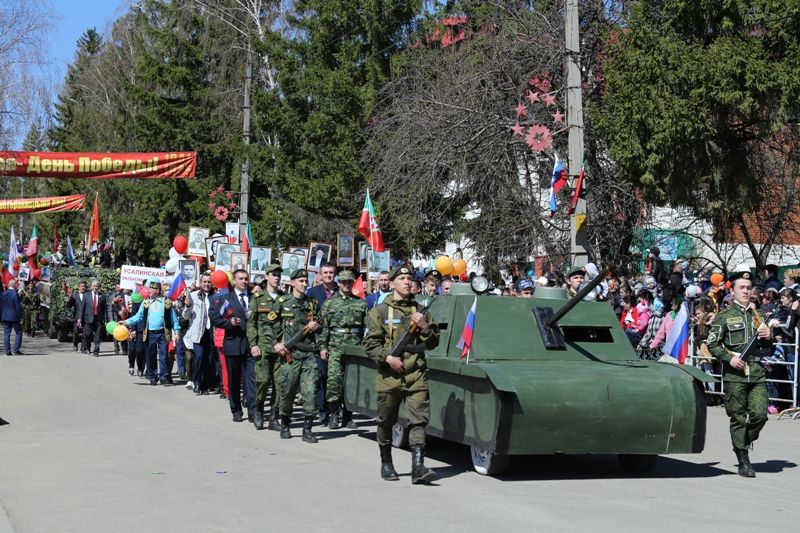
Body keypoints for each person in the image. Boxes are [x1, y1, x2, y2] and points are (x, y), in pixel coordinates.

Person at [363, 264, 440, 484]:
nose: (407, 282)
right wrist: (388, 357)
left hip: (416, 372)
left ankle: (418, 467)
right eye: (402, 278)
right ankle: (386, 462)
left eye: (409, 278)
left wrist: (424, 326)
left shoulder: (421, 310)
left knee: (418, 420)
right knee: (386, 420)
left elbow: (433, 342)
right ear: (393, 282)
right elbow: (369, 343)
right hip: (389, 375)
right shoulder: (379, 311)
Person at [706, 270, 773, 478]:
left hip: (756, 373)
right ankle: (743, 458)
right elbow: (712, 344)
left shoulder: (757, 316)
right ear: (732, 291)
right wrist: (730, 359)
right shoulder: (724, 317)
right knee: (738, 417)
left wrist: (768, 336)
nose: (745, 291)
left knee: (760, 415)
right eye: (741, 287)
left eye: (747, 287)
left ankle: (743, 441)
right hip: (735, 375)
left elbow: (767, 348)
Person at [273, 269, 322, 442]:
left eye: (305, 281)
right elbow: (270, 326)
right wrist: (276, 343)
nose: (303, 283)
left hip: (309, 354)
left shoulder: (313, 303)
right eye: (300, 281)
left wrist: (317, 330)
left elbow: (321, 329)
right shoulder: (282, 302)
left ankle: (307, 430)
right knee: (288, 391)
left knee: (310, 392)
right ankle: (285, 423)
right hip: (290, 354)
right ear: (292, 282)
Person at [319, 269, 367, 429]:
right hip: (335, 347)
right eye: (343, 282)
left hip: (354, 347)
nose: (346, 284)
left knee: (351, 383)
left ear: (353, 283)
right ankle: (334, 414)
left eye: (349, 282)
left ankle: (348, 416)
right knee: (334, 381)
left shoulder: (361, 303)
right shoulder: (329, 303)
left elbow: (366, 328)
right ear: (338, 283)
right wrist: (322, 347)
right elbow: (323, 328)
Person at [211, 269, 255, 423]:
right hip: (233, 344)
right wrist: (229, 323)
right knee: (234, 381)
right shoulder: (225, 299)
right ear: (234, 281)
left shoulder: (254, 298)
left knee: (252, 380)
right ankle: (236, 410)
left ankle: (253, 411)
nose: (244, 281)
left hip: (251, 346)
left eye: (246, 278)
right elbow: (215, 318)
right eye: (241, 279)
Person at [247, 264, 284, 430]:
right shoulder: (257, 298)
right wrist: (253, 344)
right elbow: (251, 323)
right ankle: (259, 411)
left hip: (281, 347)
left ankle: (273, 417)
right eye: (274, 275)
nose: (277, 278)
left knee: (279, 383)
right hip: (263, 346)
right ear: (267, 276)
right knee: (262, 381)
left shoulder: (284, 298)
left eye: (278, 275)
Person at [123, 278, 180, 386]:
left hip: (163, 333)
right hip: (149, 333)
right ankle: (153, 377)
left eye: (151, 288)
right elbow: (138, 317)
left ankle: (164, 377)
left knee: (163, 356)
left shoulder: (166, 302)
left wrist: (177, 331)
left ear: (157, 290)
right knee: (151, 355)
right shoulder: (146, 302)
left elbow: (173, 319)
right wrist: (126, 322)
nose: (148, 290)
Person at [306, 262, 339, 424]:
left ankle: (337, 410)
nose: (328, 275)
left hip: (339, 341)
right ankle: (323, 409)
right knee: (323, 375)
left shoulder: (342, 291)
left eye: (331, 272)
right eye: (325, 272)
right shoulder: (312, 293)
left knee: (338, 377)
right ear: (320, 274)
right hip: (319, 341)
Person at [182, 273, 215, 395]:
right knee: (199, 357)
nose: (207, 284)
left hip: (211, 333)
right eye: (205, 282)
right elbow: (185, 316)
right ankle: (196, 381)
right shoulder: (193, 296)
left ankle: (204, 386)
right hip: (197, 333)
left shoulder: (215, 297)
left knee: (209, 360)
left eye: (209, 282)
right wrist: (187, 306)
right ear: (200, 283)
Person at [82, 280, 106, 356]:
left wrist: (105, 319)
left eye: (97, 286)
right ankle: (88, 348)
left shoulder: (102, 296)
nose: (95, 287)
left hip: (98, 319)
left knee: (98, 335)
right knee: (88, 334)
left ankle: (96, 350)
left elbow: (104, 309)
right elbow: (82, 307)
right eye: (94, 286)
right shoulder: (86, 295)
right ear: (91, 287)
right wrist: (80, 318)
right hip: (88, 318)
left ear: (99, 287)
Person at [1, 280, 23, 355]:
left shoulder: (3, 294)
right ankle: (16, 350)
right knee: (19, 332)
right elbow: (17, 307)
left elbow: (1, 307)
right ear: (14, 285)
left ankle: (7, 351)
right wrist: (21, 317)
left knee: (6, 334)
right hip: (14, 317)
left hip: (5, 316)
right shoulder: (15, 294)